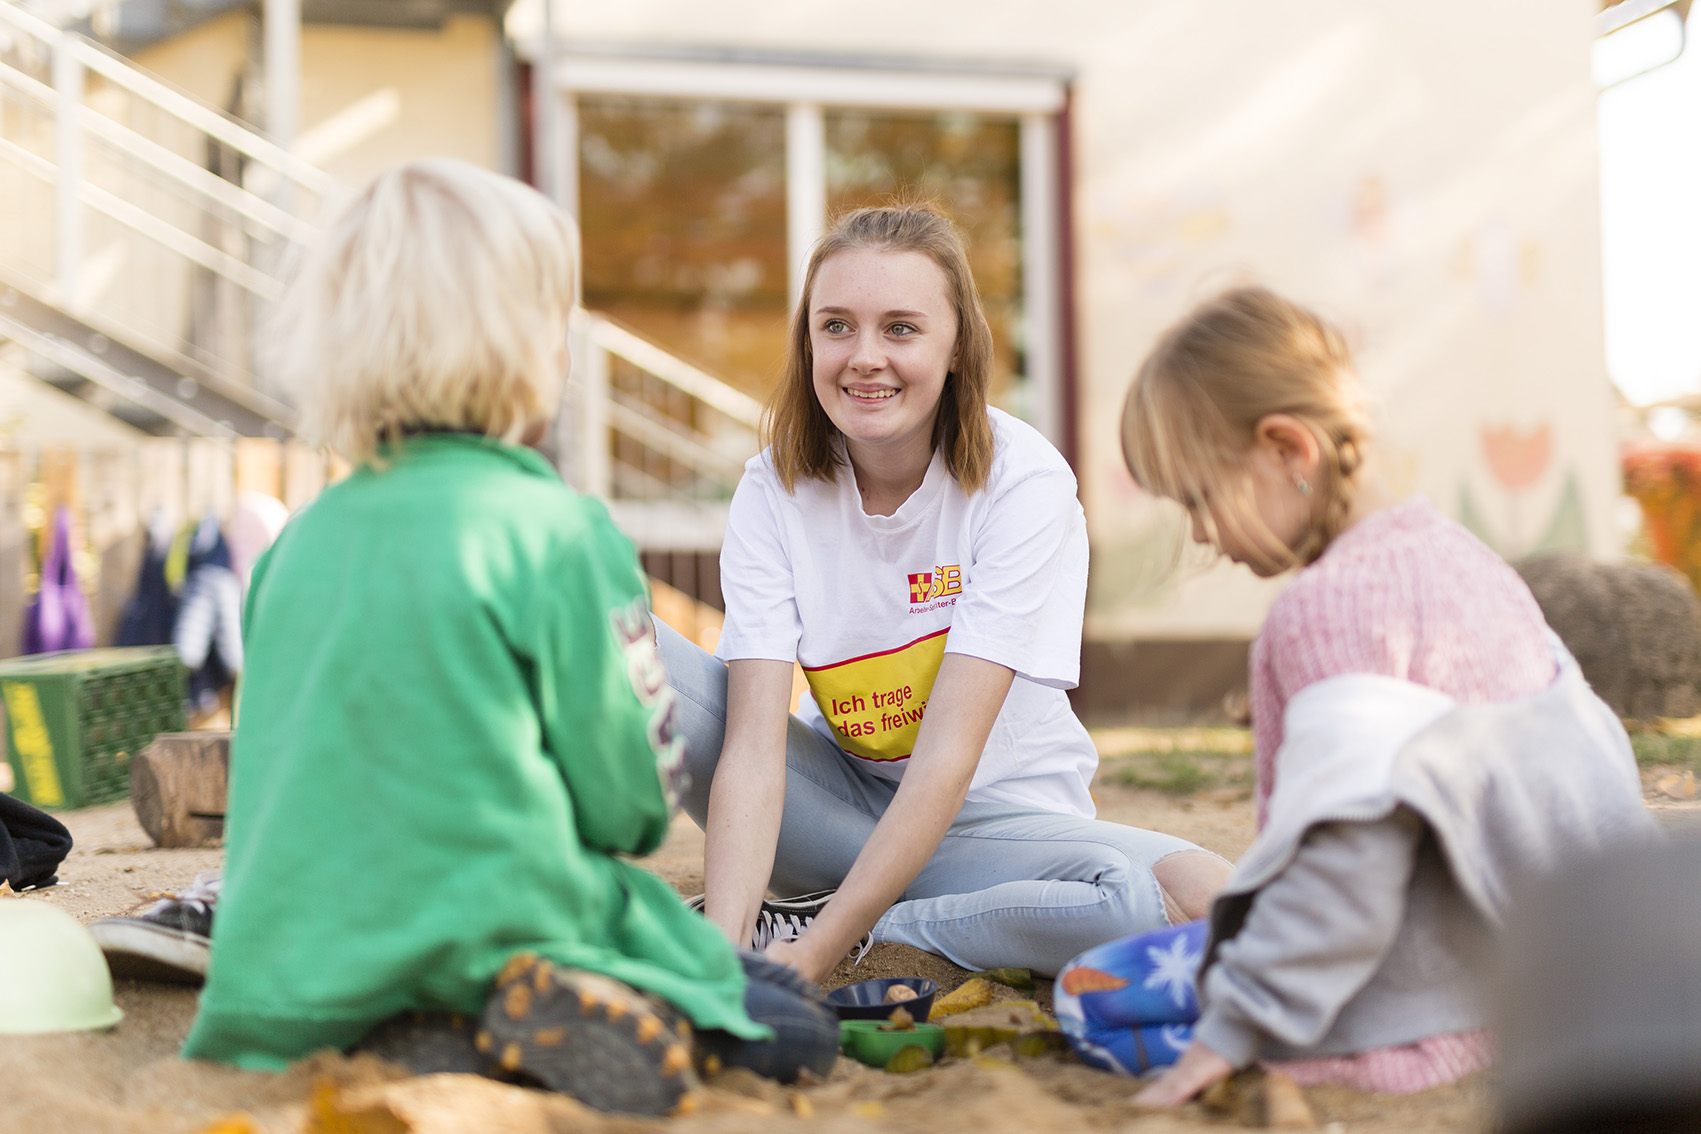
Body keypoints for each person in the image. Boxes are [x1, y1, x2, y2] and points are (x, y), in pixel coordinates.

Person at [176, 159, 836, 1115]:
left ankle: (421, 1036)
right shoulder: (559, 534)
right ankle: (477, 1028)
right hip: (492, 940)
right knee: (795, 1020)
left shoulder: (294, 546)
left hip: (286, 976)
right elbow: (628, 809)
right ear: (522, 345)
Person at [1054, 285, 1655, 1102]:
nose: (1197, 532)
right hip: (1547, 975)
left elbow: (1347, 868)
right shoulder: (1463, 557)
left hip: (1421, 1019)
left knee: (1088, 994)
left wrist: (1234, 1030)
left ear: (1286, 451)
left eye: (1197, 497)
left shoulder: (1329, 607)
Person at [655, 202, 1232, 985]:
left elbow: (946, 762)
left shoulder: (1020, 482)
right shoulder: (773, 487)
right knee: (632, 650)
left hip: (998, 831)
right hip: (832, 810)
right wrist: (720, 960)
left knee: (1186, 898)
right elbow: (754, 748)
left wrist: (820, 952)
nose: (864, 357)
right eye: (836, 326)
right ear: (808, 341)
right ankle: (791, 914)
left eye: (899, 328)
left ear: (956, 346)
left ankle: (852, 918)